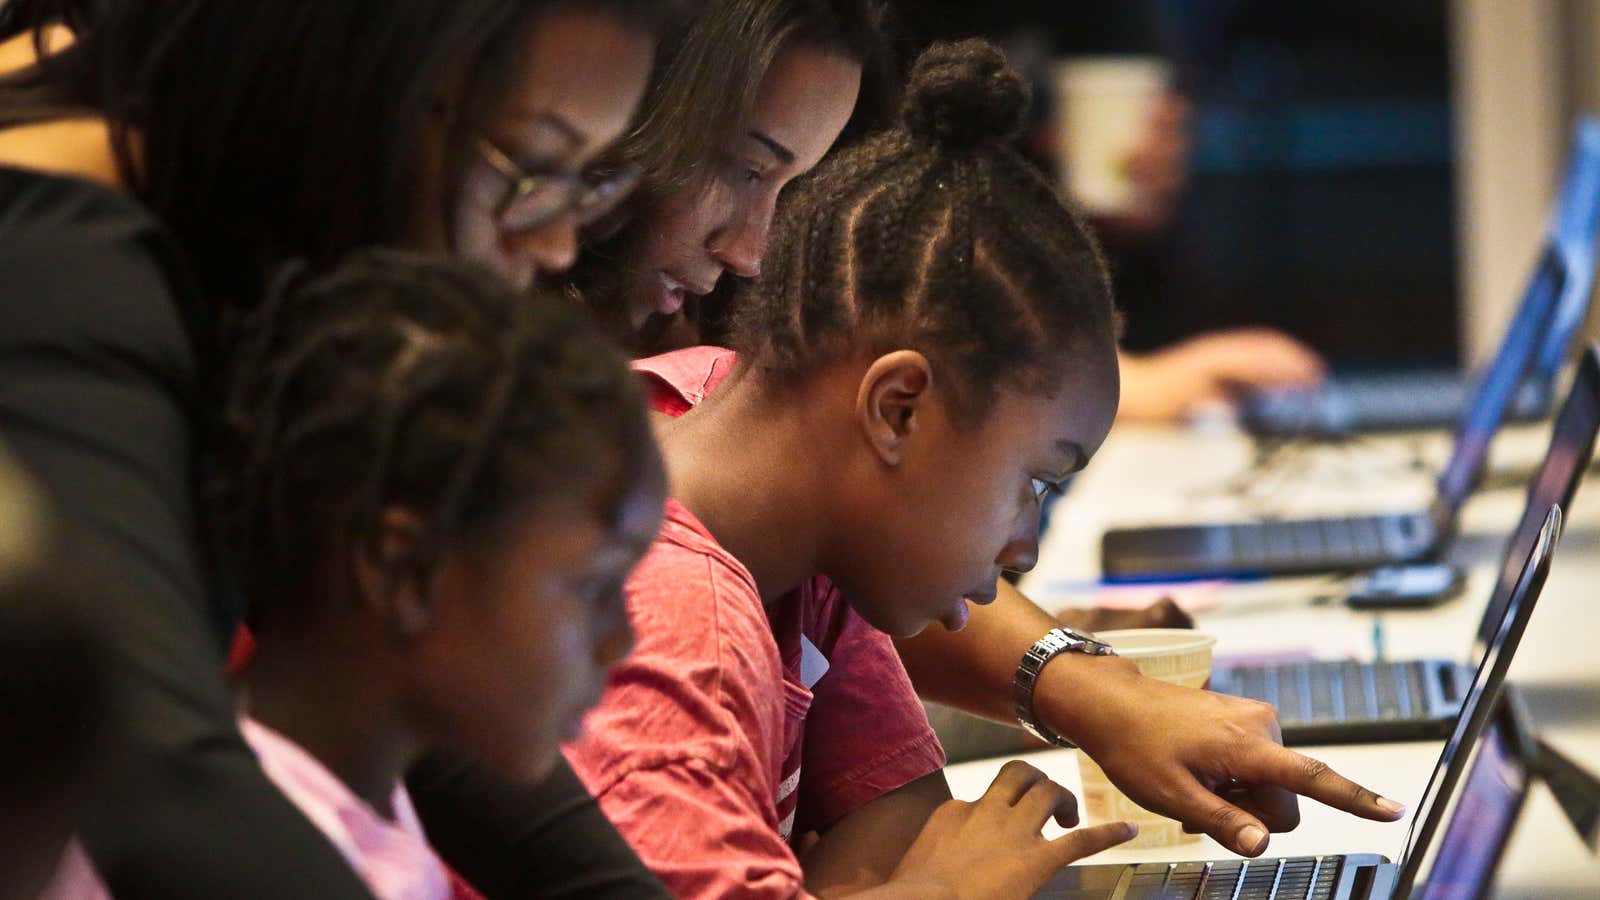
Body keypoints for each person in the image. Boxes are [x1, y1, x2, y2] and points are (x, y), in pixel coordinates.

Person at [563, 40, 1406, 899]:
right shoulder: (667, 624)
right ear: (896, 409)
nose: (1026, 549)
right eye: (1035, 483)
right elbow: (912, 869)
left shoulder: (783, 502)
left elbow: (891, 824)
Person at [0, 2, 676, 895]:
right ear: (359, 83)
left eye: (587, 185)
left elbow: (405, 650)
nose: (553, 246)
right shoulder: (55, 269)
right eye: (536, 169)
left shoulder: (221, 214)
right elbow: (146, 762)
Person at [200, 251, 661, 898]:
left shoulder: (336, 805)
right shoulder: (248, 855)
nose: (621, 640)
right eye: (592, 587)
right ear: (405, 568)